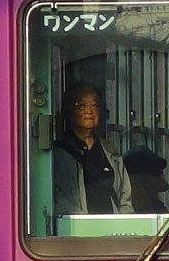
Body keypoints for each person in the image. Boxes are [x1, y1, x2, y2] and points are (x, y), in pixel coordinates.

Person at [52, 83, 133, 224]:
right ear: (69, 111)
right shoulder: (57, 153)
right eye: (81, 105)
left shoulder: (111, 151)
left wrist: (125, 226)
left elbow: (125, 200)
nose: (89, 111)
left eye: (94, 105)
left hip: (112, 230)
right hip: (76, 230)